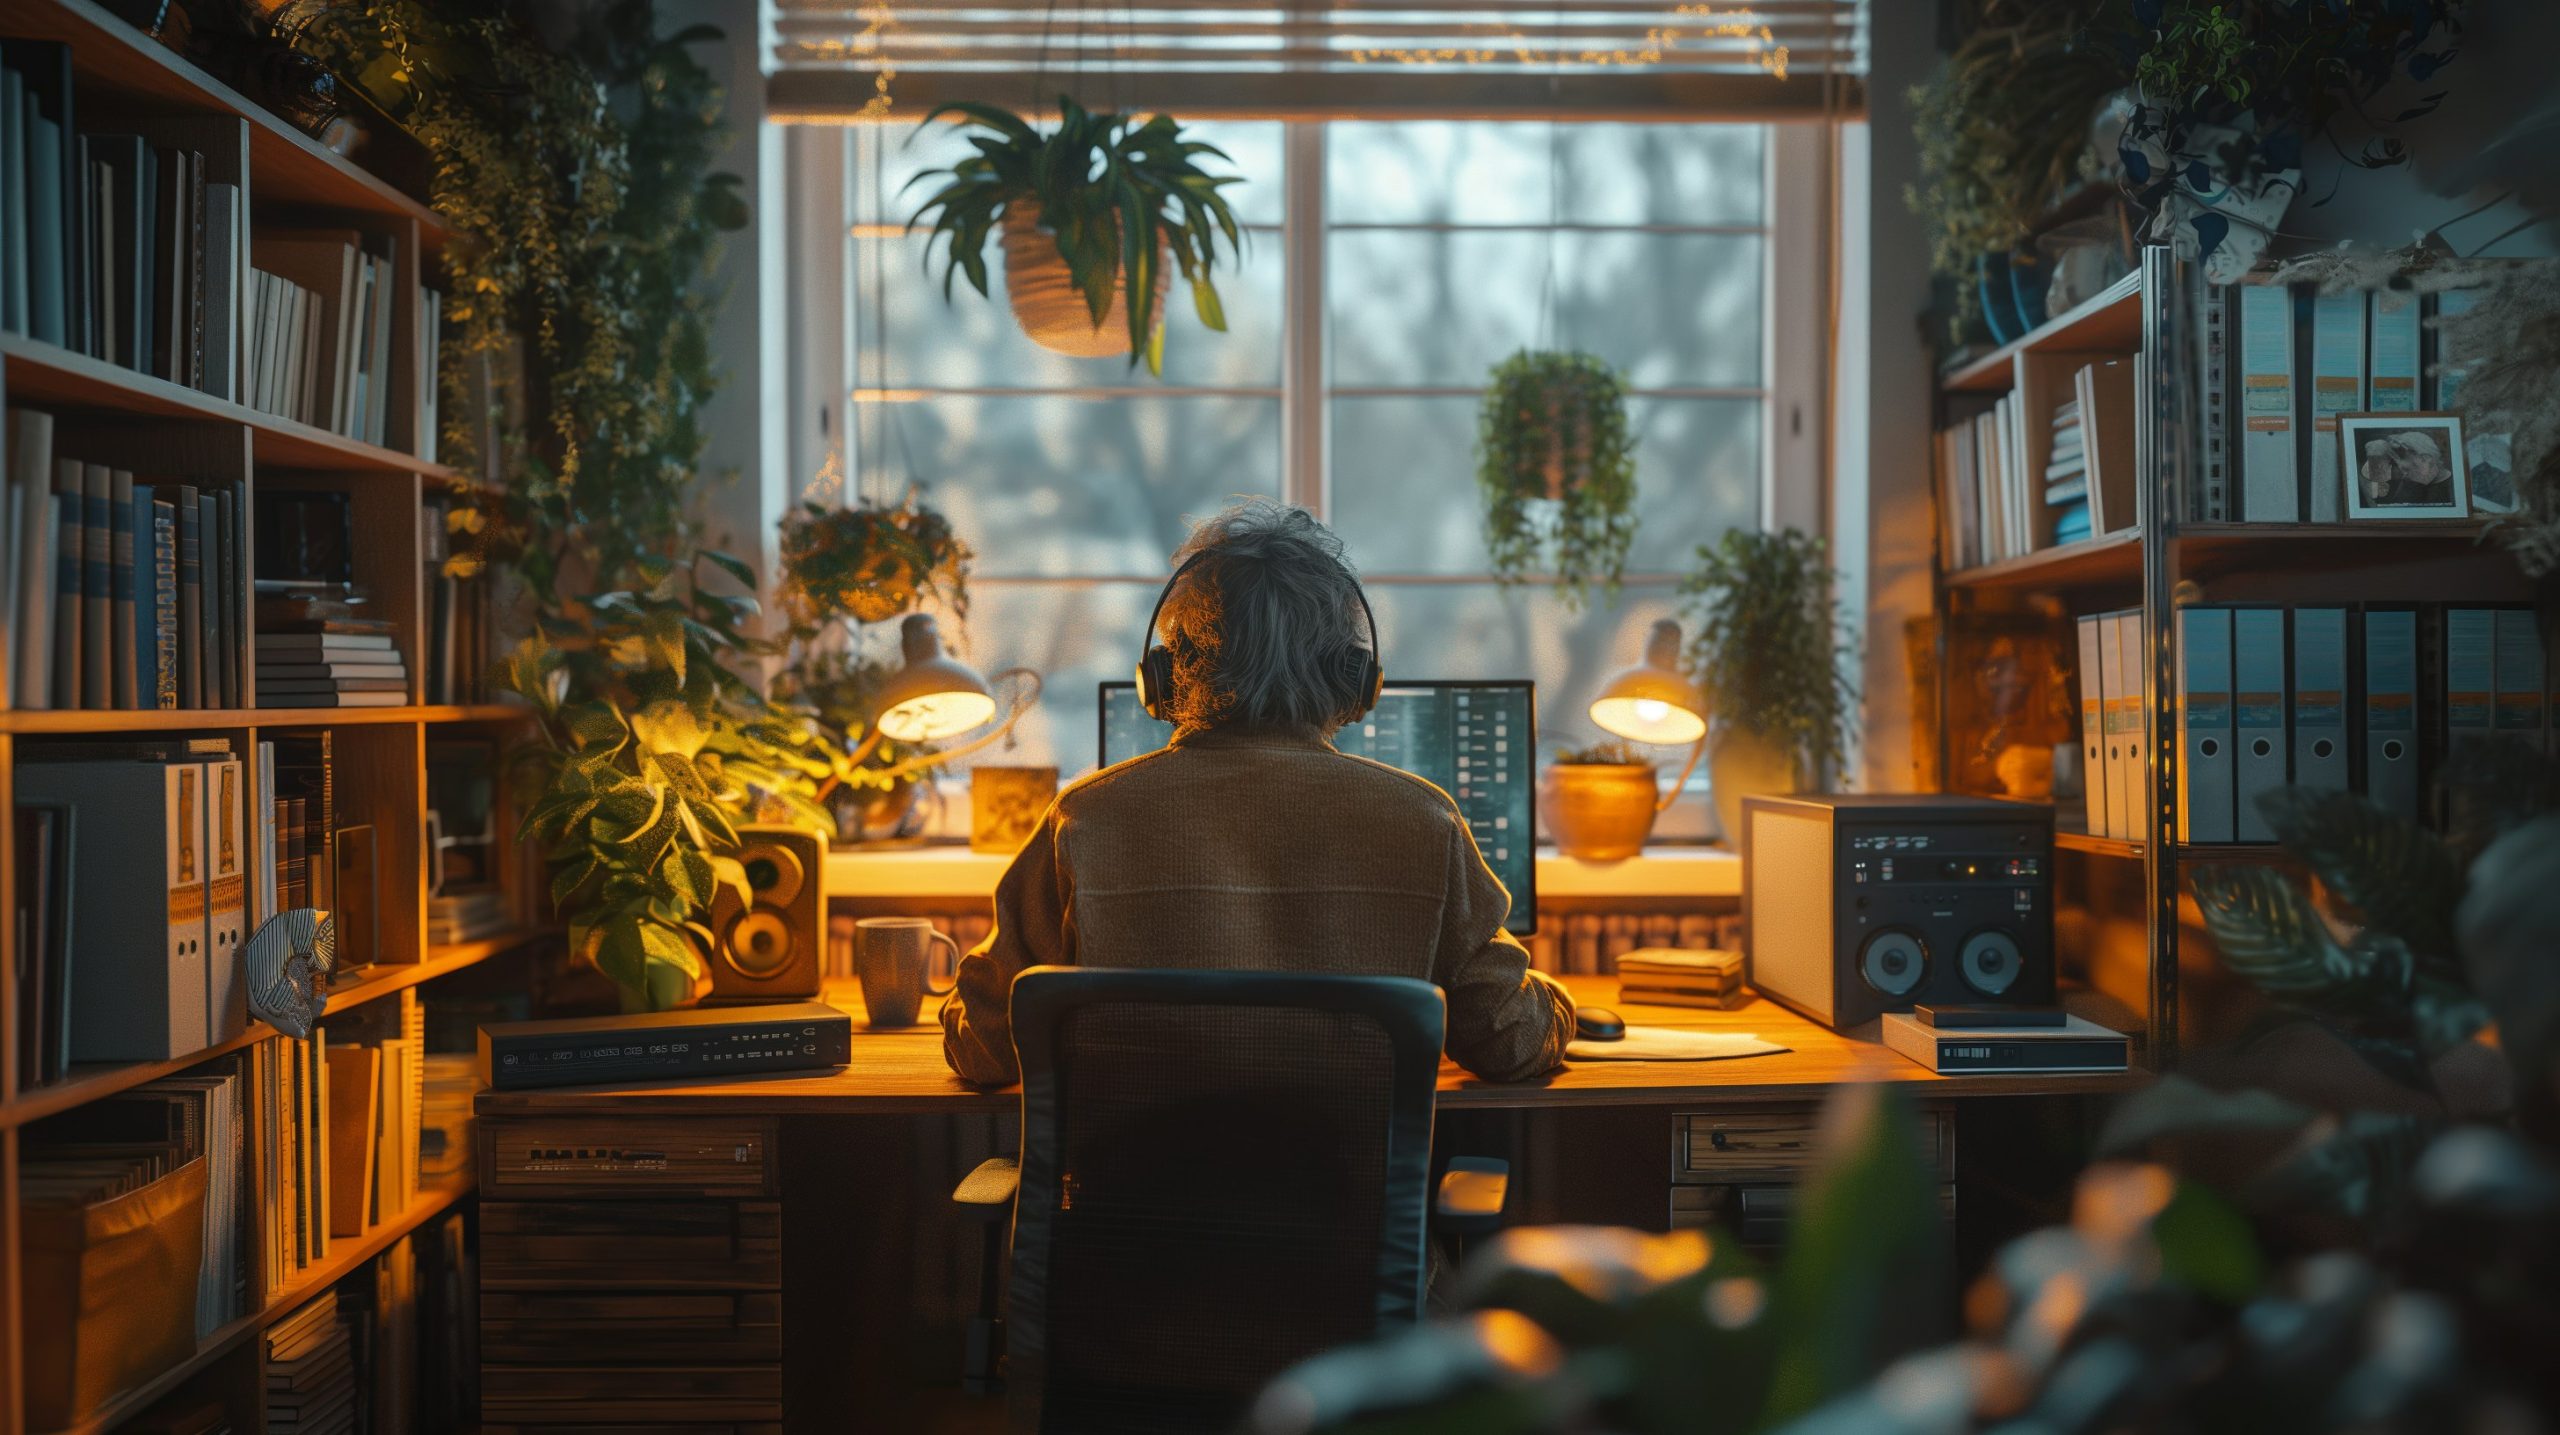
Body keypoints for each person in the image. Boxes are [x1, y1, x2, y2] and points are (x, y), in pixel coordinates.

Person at [940, 499, 1576, 1086]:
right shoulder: (1426, 821)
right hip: (1341, 1178)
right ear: (1354, 679)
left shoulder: (1083, 820)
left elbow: (984, 1049)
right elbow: (1508, 1039)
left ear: (1165, 674)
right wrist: (1558, 1003)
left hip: (1129, 1177)